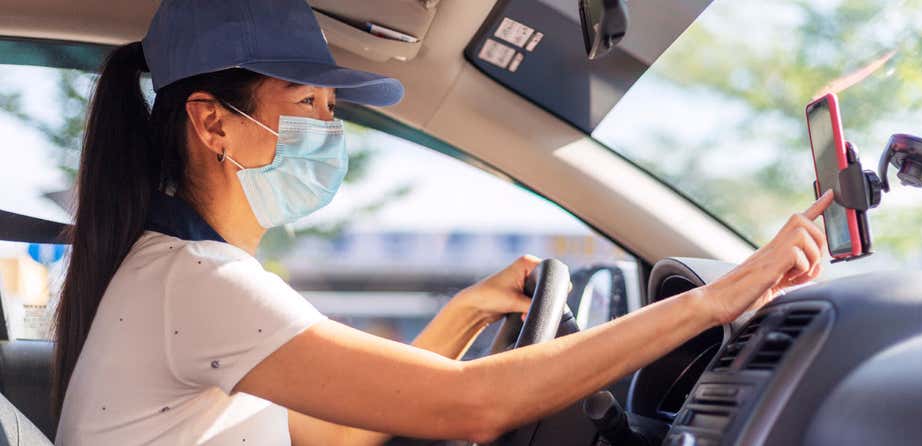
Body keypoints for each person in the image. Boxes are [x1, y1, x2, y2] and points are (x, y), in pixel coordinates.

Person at [52, 0, 834, 444]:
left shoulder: (183, 273)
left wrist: (465, 312)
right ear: (212, 124)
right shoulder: (199, 283)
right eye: (308, 105)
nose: (330, 129)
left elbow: (327, 433)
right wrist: (712, 301)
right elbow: (470, 405)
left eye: (333, 109)